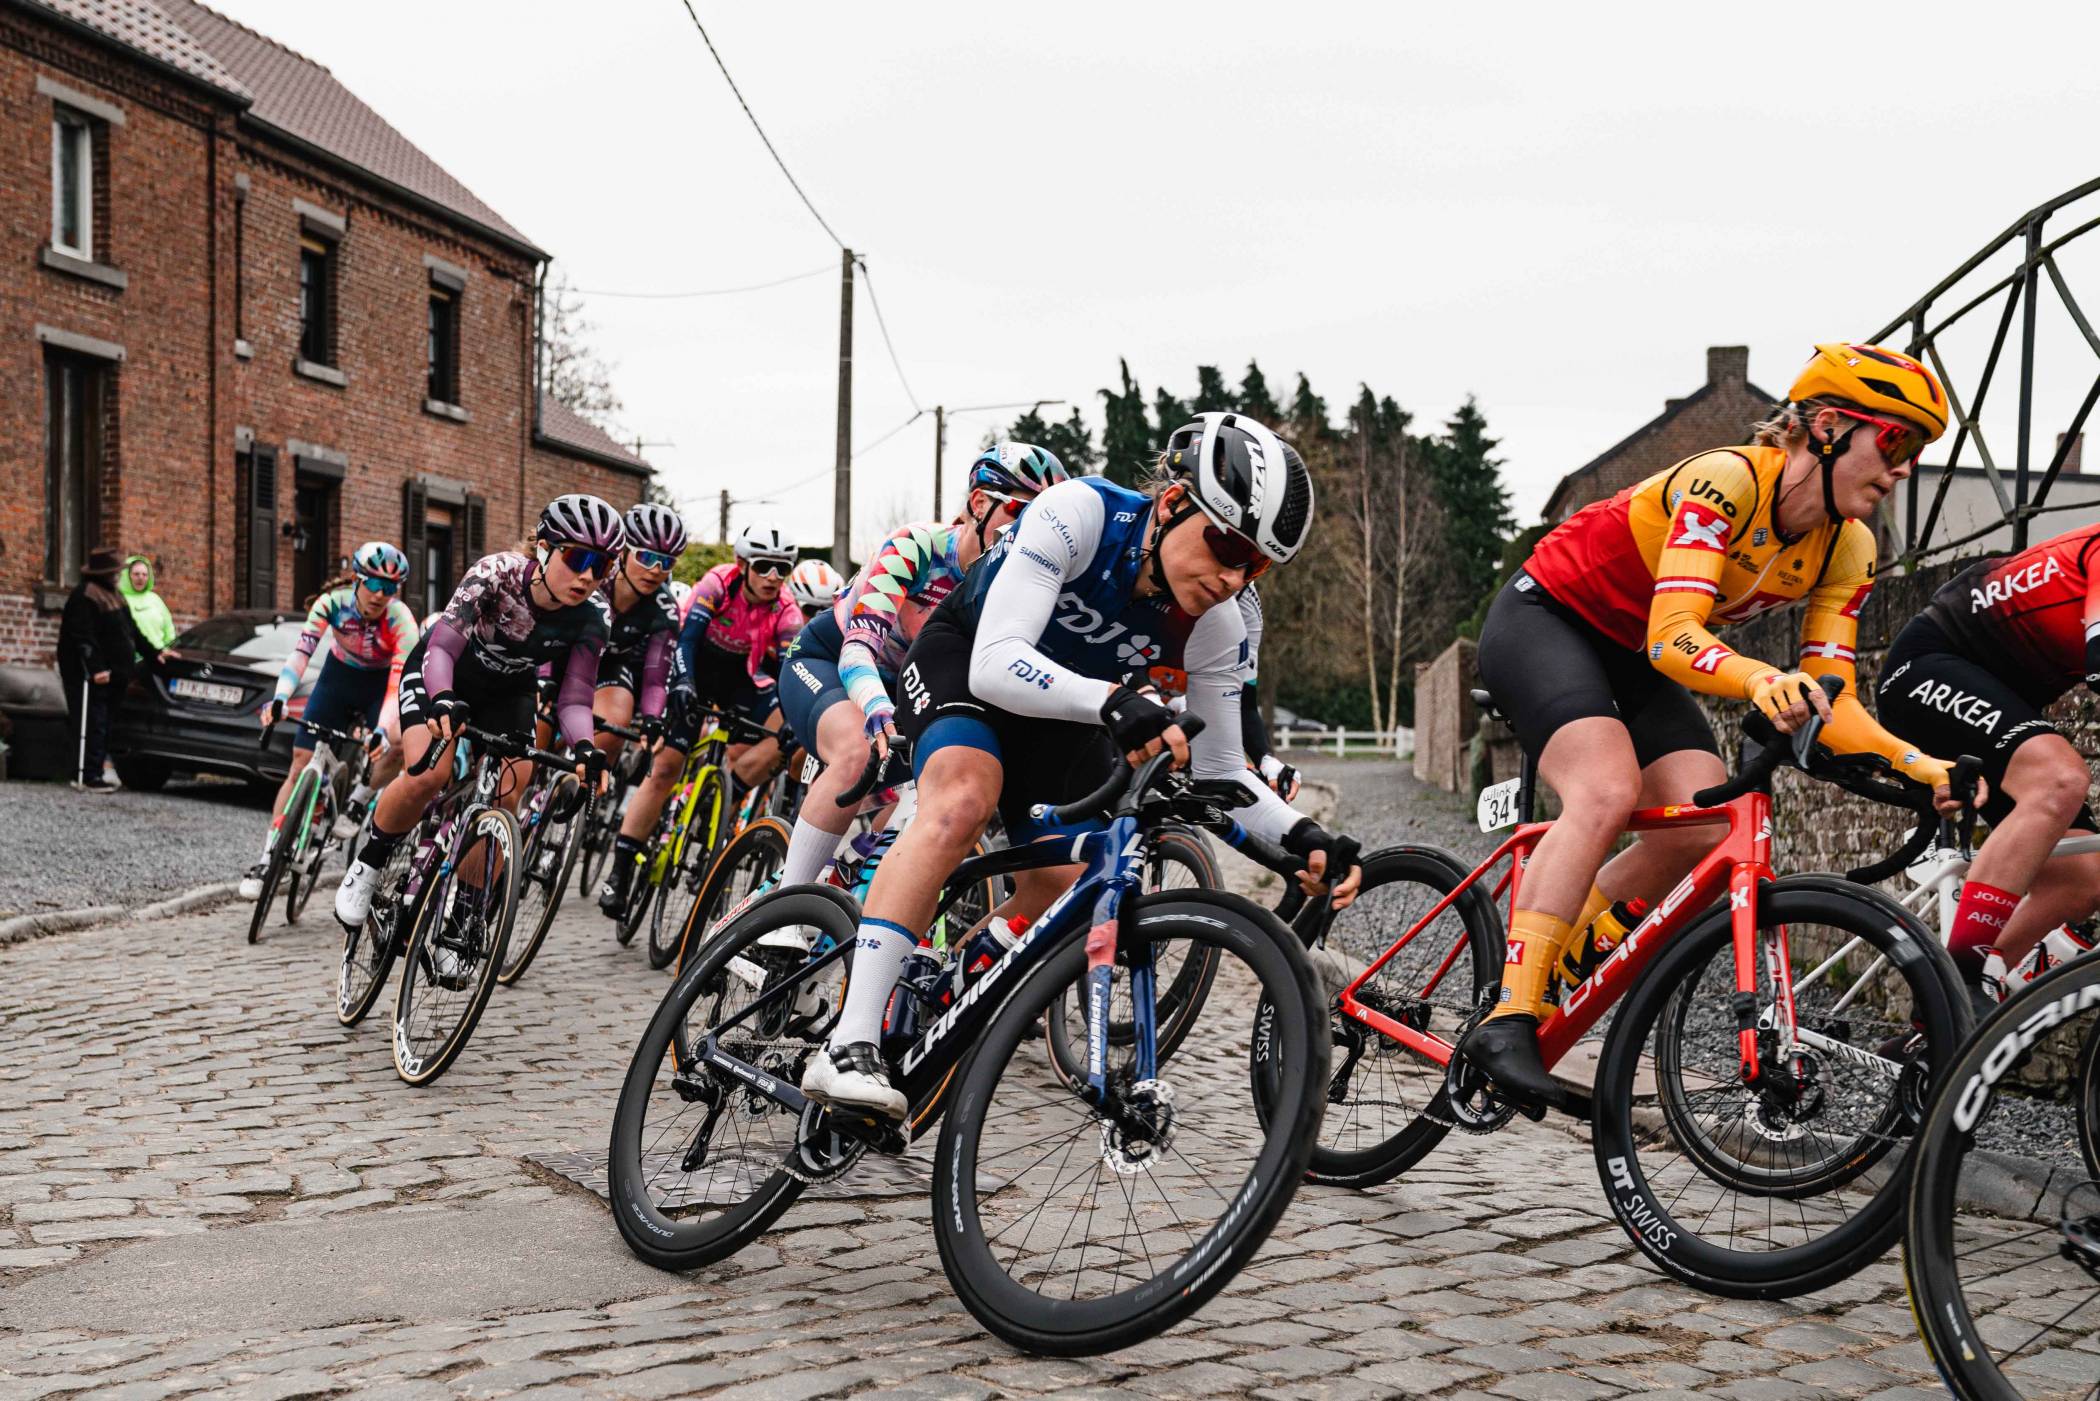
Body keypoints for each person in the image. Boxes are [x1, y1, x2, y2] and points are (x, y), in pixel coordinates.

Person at [800, 413, 1365, 1119]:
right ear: (1172, 503)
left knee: (1069, 881)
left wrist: (1300, 836)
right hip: (971, 669)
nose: (1231, 576)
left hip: (1068, 714)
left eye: (1256, 566)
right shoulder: (1079, 515)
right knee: (963, 801)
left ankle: (941, 986)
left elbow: (1224, 768)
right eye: (1225, 542)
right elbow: (998, 660)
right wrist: (1115, 700)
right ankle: (848, 1040)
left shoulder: (1218, 624)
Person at [1463, 342, 1974, 1109]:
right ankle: (1507, 1015)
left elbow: (1836, 702)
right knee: (1605, 791)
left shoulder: (1851, 546)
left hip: (1630, 655)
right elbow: (1676, 634)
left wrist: (1924, 766)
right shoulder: (1727, 480)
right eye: (1896, 440)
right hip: (1549, 618)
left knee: (1703, 822)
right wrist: (1765, 678)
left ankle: (1560, 954)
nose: (1904, 467)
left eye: (1918, 451)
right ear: (1830, 426)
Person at [774, 443, 1071, 888]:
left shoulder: (1020, 583)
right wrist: (875, 709)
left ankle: (852, 871)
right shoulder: (919, 547)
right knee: (858, 752)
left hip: (911, 689)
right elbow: (858, 650)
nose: (1027, 532)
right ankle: (787, 903)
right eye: (1019, 513)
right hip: (831, 662)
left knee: (941, 789)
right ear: (979, 504)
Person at [334, 495, 623, 929]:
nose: (586, 575)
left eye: (601, 566)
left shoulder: (596, 613)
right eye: (576, 557)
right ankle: (370, 862)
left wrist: (585, 747)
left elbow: (577, 694)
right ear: (544, 546)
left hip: (510, 690)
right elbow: (445, 645)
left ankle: (462, 916)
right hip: (444, 671)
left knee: (509, 793)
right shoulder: (496, 573)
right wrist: (443, 697)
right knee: (430, 773)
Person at [1875, 522, 2100, 999]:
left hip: (1997, 695)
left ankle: (1939, 1032)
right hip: (1928, 667)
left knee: (2083, 879)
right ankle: (1958, 983)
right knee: (2059, 779)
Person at [240, 543, 418, 898]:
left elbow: (397, 686)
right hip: (337, 679)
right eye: (375, 584)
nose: (382, 595)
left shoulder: (401, 620)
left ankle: (359, 799)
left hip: (379, 686)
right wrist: (280, 698)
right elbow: (301, 654)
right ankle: (267, 858)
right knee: (300, 765)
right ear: (357, 579)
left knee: (396, 743)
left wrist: (381, 729)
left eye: (391, 588)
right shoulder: (332, 604)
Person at [619, 524, 804, 865]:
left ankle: (726, 791)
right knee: (665, 768)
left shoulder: (787, 609)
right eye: (764, 566)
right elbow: (687, 639)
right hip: (697, 669)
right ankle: (621, 867)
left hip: (741, 681)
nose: (773, 577)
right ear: (742, 563)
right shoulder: (717, 583)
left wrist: (795, 717)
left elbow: (789, 670)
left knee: (793, 735)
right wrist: (685, 682)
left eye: (783, 568)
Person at [585, 502, 690, 918]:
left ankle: (586, 786)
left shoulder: (663, 609)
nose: (655, 569)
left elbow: (654, 675)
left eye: (666, 562)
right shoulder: (593, 580)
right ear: (624, 551)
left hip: (612, 665)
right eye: (646, 556)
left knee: (614, 726)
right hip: (565, 654)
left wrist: (653, 717)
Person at [57, 546, 171, 791]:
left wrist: (155, 653)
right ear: (104, 573)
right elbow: (83, 636)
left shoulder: (115, 595)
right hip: (93, 674)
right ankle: (87, 774)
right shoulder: (85, 595)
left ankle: (96, 769)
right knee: (92, 721)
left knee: (106, 721)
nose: (119, 575)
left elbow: (132, 631)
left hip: (116, 672)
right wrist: (95, 668)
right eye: (115, 571)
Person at [119, 555, 177, 659]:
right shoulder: (119, 599)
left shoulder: (155, 599)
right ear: (127, 575)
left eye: (145, 575)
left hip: (159, 658)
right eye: (136, 574)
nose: (140, 578)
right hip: (130, 661)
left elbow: (168, 628)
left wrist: (167, 648)